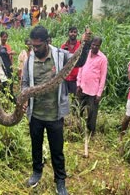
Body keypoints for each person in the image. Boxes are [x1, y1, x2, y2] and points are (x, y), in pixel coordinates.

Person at [22, 25, 90, 194]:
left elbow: (79, 61)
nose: (35, 49)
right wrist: (23, 98)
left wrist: (86, 44)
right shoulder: (29, 59)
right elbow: (24, 82)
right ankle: (37, 173)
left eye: (38, 45)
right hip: (36, 114)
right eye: (33, 45)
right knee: (35, 146)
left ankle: (60, 181)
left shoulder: (61, 55)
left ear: (47, 41)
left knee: (57, 150)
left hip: (55, 114)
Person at [77, 37, 107, 135]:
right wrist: (78, 84)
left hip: (93, 90)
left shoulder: (103, 58)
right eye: (93, 44)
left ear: (99, 46)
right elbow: (80, 69)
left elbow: (103, 77)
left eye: (97, 45)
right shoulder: (86, 54)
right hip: (82, 87)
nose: (94, 47)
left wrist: (99, 93)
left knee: (92, 113)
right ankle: (78, 129)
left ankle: (91, 132)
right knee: (78, 109)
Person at [0, 37, 15, 102]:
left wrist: (8, 77)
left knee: (9, 94)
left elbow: (6, 66)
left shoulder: (1, 52)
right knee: (5, 93)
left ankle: (17, 106)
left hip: (5, 77)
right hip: (4, 77)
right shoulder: (0, 51)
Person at [61, 26, 81, 94]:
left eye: (75, 32)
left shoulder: (80, 45)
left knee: (75, 99)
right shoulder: (64, 46)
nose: (73, 34)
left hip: (76, 78)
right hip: (66, 77)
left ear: (77, 34)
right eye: (71, 32)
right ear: (68, 33)